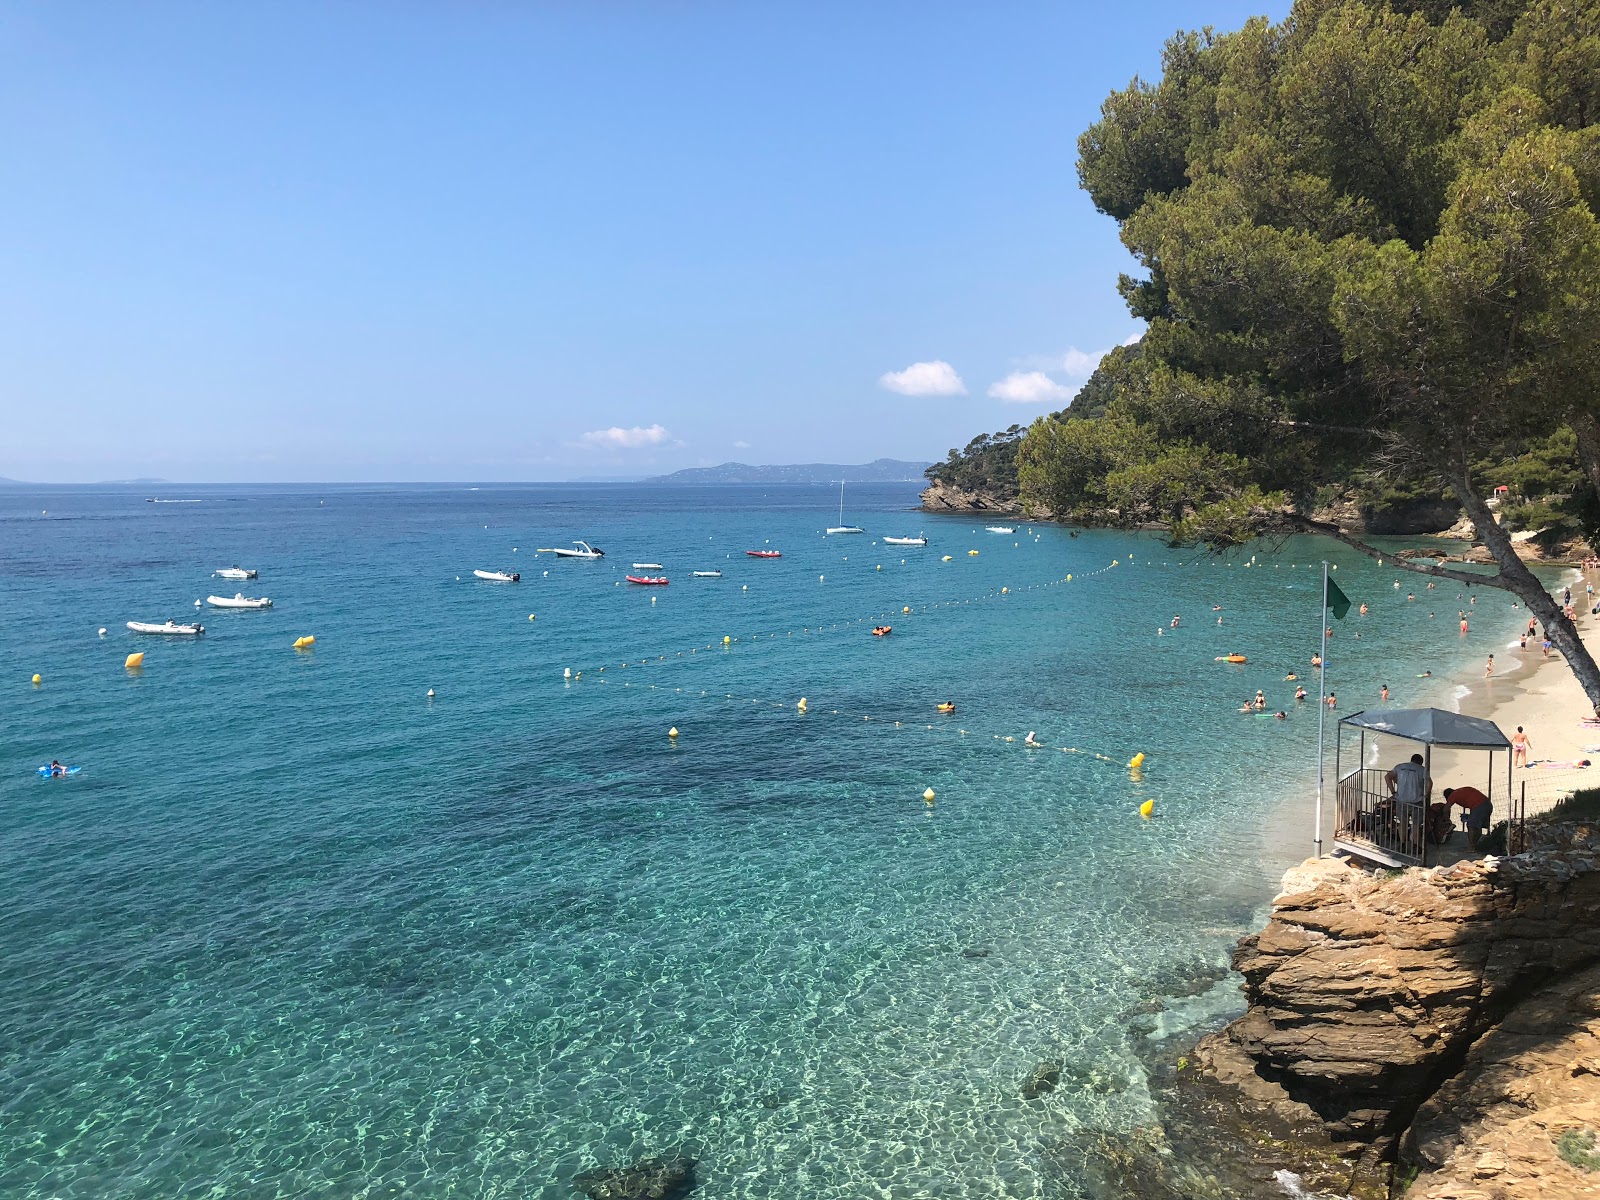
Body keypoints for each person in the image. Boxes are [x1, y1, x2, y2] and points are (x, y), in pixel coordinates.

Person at [1444, 785, 1493, 851]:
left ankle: (1471, 847)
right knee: (1478, 826)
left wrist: (1446, 820)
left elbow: (1446, 808)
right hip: (1487, 804)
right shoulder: (1460, 791)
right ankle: (1475, 845)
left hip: (1478, 806)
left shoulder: (1453, 795)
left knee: (1471, 826)